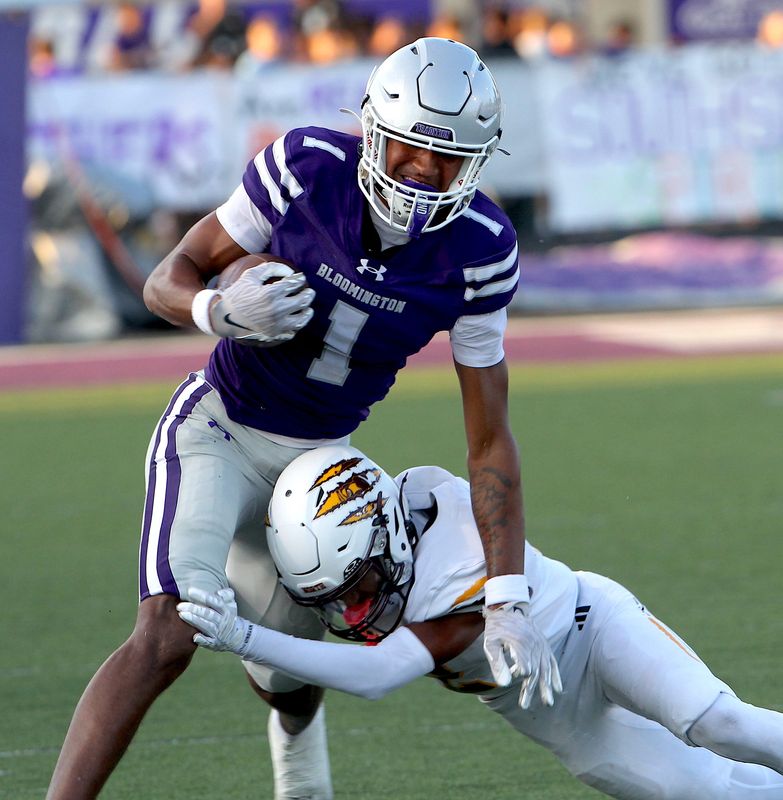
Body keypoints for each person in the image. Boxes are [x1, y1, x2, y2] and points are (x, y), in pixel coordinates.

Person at [46, 38, 557, 800]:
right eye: (410, 145)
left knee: (288, 675)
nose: (424, 168)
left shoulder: (480, 250)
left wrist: (506, 591)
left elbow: (488, 435)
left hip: (317, 463)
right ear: (374, 131)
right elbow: (166, 278)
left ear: (477, 162)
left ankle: (300, 772)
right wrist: (217, 309)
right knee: (168, 632)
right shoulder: (307, 167)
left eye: (447, 156)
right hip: (218, 427)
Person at [178, 444, 783, 800]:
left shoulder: (453, 558)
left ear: (389, 535)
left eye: (360, 584)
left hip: (593, 629)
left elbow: (377, 674)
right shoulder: (392, 525)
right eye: (335, 598)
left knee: (719, 723)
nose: (354, 610)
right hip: (546, 710)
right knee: (703, 792)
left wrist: (246, 638)